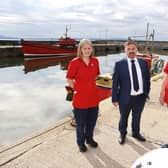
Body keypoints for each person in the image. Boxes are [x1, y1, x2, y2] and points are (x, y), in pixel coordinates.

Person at [112, 40, 151, 145]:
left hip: (140, 97)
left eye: (133, 49)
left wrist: (146, 93)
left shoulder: (143, 63)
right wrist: (114, 98)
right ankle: (122, 134)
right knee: (123, 117)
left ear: (136, 49)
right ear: (125, 50)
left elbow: (147, 79)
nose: (131, 51)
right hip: (125, 98)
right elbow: (115, 83)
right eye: (128, 49)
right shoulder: (119, 64)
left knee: (137, 117)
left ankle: (136, 133)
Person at [66, 39, 100, 152]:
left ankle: (89, 139)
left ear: (92, 49)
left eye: (89, 48)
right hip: (80, 99)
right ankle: (81, 143)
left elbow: (97, 76)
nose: (87, 51)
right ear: (80, 49)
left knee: (91, 122)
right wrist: (76, 88)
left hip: (93, 98)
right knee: (80, 124)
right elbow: (69, 78)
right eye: (84, 48)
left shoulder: (95, 61)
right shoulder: (75, 62)